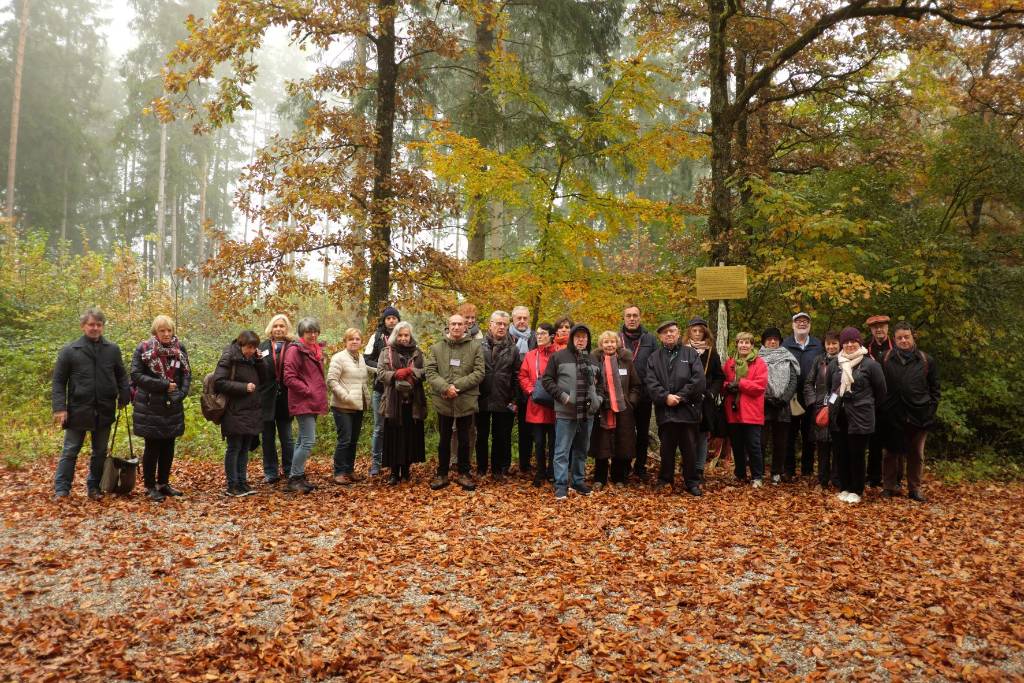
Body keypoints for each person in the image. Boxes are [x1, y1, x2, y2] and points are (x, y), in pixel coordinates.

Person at [52, 307, 130, 500]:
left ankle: (94, 487)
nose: (95, 328)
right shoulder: (70, 350)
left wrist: (124, 395)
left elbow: (121, 375)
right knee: (70, 450)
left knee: (100, 452)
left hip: (104, 408)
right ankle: (62, 489)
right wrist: (60, 408)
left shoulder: (112, 350)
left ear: (102, 327)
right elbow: (59, 381)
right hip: (78, 409)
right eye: (91, 324)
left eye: (98, 324)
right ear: (83, 326)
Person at [130, 315, 191, 502]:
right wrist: (163, 384)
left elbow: (187, 374)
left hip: (172, 405)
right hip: (149, 405)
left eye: (169, 330)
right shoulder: (144, 349)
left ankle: (163, 483)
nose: (166, 333)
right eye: (162, 330)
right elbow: (136, 375)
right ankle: (149, 486)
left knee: (168, 446)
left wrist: (180, 394)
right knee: (153, 447)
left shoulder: (179, 349)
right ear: (155, 332)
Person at [645, 321, 706, 496]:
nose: (669, 335)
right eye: (665, 333)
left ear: (678, 333)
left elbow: (698, 379)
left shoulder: (690, 354)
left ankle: (692, 482)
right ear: (660, 337)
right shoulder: (654, 357)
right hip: (666, 412)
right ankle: (665, 480)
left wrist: (680, 397)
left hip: (687, 411)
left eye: (672, 331)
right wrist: (665, 397)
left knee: (689, 449)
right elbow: (651, 382)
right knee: (667, 449)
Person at [880, 322, 939, 502]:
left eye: (906, 337)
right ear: (895, 339)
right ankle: (889, 487)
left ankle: (915, 489)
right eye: (899, 338)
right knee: (890, 453)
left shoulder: (926, 360)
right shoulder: (885, 357)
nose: (903, 340)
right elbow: (879, 386)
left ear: (913, 337)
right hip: (892, 414)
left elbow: (935, 390)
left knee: (916, 453)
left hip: (919, 414)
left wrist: (929, 410)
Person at [425, 313, 485, 491]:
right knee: (444, 439)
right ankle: (442, 474)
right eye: (453, 324)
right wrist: (445, 387)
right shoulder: (436, 348)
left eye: (460, 324)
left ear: (466, 327)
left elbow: (480, 372)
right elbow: (430, 372)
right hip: (443, 401)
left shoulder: (475, 347)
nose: (457, 327)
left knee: (465, 439)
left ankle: (464, 474)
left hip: (466, 400)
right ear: (448, 326)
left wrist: (456, 387)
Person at [827, 327, 887, 504]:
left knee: (857, 454)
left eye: (853, 341)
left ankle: (857, 489)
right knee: (841, 454)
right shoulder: (835, 364)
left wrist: (867, 406)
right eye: (846, 342)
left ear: (859, 343)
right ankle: (845, 487)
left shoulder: (870, 365)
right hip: (839, 416)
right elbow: (831, 388)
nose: (850, 344)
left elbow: (881, 392)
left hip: (860, 416)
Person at [542, 324, 602, 500]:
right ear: (572, 339)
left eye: (584, 337)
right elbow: (546, 380)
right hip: (565, 412)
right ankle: (561, 485)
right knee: (561, 450)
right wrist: (562, 396)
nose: (581, 340)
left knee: (581, 450)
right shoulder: (559, 357)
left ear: (588, 339)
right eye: (578, 337)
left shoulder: (593, 359)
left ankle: (578, 481)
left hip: (587, 413)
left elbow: (601, 385)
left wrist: (598, 400)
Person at [213, 330, 268, 497]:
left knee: (244, 448)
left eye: (254, 348)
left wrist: (259, 360)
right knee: (234, 447)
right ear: (241, 344)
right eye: (249, 347)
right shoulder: (229, 356)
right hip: (234, 410)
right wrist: (243, 388)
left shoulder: (253, 358)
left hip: (251, 410)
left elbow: (265, 378)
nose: (251, 351)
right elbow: (219, 382)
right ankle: (232, 485)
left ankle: (242, 482)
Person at [377, 322, 427, 485]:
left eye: (406, 335)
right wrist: (395, 374)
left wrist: (412, 372)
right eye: (400, 335)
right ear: (395, 336)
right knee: (394, 436)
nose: (404, 338)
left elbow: (426, 372)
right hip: (393, 400)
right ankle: (393, 473)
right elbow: (380, 373)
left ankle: (406, 471)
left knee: (409, 435)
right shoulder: (386, 352)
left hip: (413, 401)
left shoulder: (418, 352)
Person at [589, 331, 640, 489]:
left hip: (623, 409)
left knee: (622, 443)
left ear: (617, 343)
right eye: (606, 342)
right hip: (601, 408)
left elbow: (636, 385)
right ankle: (600, 478)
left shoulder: (626, 361)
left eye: (612, 342)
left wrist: (630, 401)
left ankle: (619, 477)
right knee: (601, 444)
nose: (609, 345)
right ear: (601, 345)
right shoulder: (594, 362)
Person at [283, 317, 329, 494]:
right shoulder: (295, 350)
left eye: (315, 331)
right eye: (309, 331)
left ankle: (298, 476)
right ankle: (294, 478)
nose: (313, 334)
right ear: (302, 333)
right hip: (303, 400)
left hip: (313, 400)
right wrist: (307, 390)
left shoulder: (315, 350)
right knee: (309, 441)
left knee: (302, 439)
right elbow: (289, 377)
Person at [476, 311, 521, 481]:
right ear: (490, 324)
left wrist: (515, 399)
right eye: (498, 323)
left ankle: (496, 470)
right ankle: (481, 469)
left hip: (504, 398)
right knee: (481, 435)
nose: (501, 327)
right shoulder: (478, 346)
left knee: (500, 436)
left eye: (505, 324)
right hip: (481, 397)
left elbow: (517, 375)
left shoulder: (513, 349)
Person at [722, 332, 768, 487]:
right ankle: (740, 474)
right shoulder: (730, 363)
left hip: (752, 411)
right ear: (737, 344)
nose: (744, 345)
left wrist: (740, 384)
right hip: (733, 410)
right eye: (741, 342)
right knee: (737, 444)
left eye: (747, 343)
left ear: (752, 345)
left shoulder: (759, 363)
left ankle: (757, 476)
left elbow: (760, 386)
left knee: (753, 445)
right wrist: (728, 386)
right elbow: (723, 382)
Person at [327, 328, 372, 485]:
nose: (354, 341)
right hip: (342, 406)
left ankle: (349, 470)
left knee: (353, 440)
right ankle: (339, 472)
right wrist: (345, 397)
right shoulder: (338, 358)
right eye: (351, 339)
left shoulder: (360, 358)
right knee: (344, 440)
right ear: (345, 341)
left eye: (357, 339)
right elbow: (332, 380)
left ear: (361, 342)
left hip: (357, 405)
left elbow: (364, 375)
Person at [782, 312, 824, 479]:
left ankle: (807, 470)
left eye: (805, 321)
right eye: (798, 321)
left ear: (810, 325)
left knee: (809, 434)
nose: (801, 324)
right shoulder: (785, 344)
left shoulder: (817, 345)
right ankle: (789, 470)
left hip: (811, 396)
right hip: (790, 396)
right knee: (789, 434)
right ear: (793, 325)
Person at [619, 305, 658, 482]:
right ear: (624, 318)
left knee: (642, 433)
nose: (632, 319)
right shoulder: (616, 338)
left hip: (644, 394)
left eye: (635, 315)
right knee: (625, 431)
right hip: (622, 394)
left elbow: (656, 364)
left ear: (640, 318)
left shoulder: (649, 339)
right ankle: (624, 465)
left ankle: (640, 466)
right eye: (629, 316)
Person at [685, 316, 725, 485]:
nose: (697, 334)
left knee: (702, 436)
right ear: (689, 332)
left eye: (700, 331)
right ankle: (688, 466)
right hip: (686, 399)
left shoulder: (711, 353)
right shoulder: (682, 351)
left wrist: (711, 393)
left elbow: (719, 376)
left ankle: (699, 468)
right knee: (686, 435)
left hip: (705, 400)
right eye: (694, 331)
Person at [758, 327, 799, 484]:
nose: (772, 341)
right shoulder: (757, 358)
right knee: (761, 441)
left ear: (780, 341)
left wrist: (784, 398)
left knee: (780, 442)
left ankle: (776, 472)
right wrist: (766, 398)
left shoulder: (788, 357)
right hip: (763, 405)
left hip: (783, 405)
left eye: (775, 339)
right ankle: (759, 471)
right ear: (764, 342)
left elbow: (793, 380)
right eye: (769, 339)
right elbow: (753, 379)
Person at [518, 323, 557, 487]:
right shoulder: (530, 355)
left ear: (552, 336)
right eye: (538, 334)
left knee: (554, 442)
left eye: (543, 334)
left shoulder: (559, 355)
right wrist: (531, 390)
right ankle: (540, 472)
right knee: (539, 442)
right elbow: (523, 375)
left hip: (555, 404)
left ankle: (553, 472)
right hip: (536, 405)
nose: (539, 336)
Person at [364, 305, 400, 476]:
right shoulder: (377, 337)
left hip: (399, 390)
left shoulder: (404, 335)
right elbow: (366, 360)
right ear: (384, 321)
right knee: (379, 427)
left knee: (396, 427)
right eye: (388, 318)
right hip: (380, 389)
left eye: (394, 318)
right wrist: (381, 371)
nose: (391, 320)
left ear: (398, 320)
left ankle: (394, 461)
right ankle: (376, 463)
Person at [259, 314, 295, 485]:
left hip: (286, 398)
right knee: (267, 437)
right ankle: (271, 472)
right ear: (271, 328)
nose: (279, 329)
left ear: (287, 328)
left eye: (282, 326)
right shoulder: (262, 347)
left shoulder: (293, 347)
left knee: (287, 437)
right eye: (276, 326)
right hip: (265, 398)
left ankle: (289, 470)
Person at [804, 331, 842, 489]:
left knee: (838, 445)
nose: (831, 346)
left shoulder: (845, 360)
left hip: (839, 409)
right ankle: (822, 479)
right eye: (828, 343)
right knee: (822, 445)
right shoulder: (819, 361)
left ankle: (837, 478)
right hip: (820, 408)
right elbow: (808, 382)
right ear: (824, 344)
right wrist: (813, 402)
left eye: (834, 343)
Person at [509, 305, 537, 474]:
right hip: (509, 391)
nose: (521, 321)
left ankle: (525, 465)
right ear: (513, 319)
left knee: (529, 431)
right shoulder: (505, 336)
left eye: (525, 318)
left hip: (530, 391)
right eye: (518, 318)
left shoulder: (535, 337)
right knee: (503, 430)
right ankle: (503, 466)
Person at [865, 314, 892, 488]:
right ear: (871, 330)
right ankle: (873, 476)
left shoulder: (896, 346)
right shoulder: (865, 349)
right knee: (873, 441)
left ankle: (893, 479)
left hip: (893, 401)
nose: (879, 330)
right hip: (872, 402)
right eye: (875, 327)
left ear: (887, 328)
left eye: (882, 326)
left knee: (893, 441)